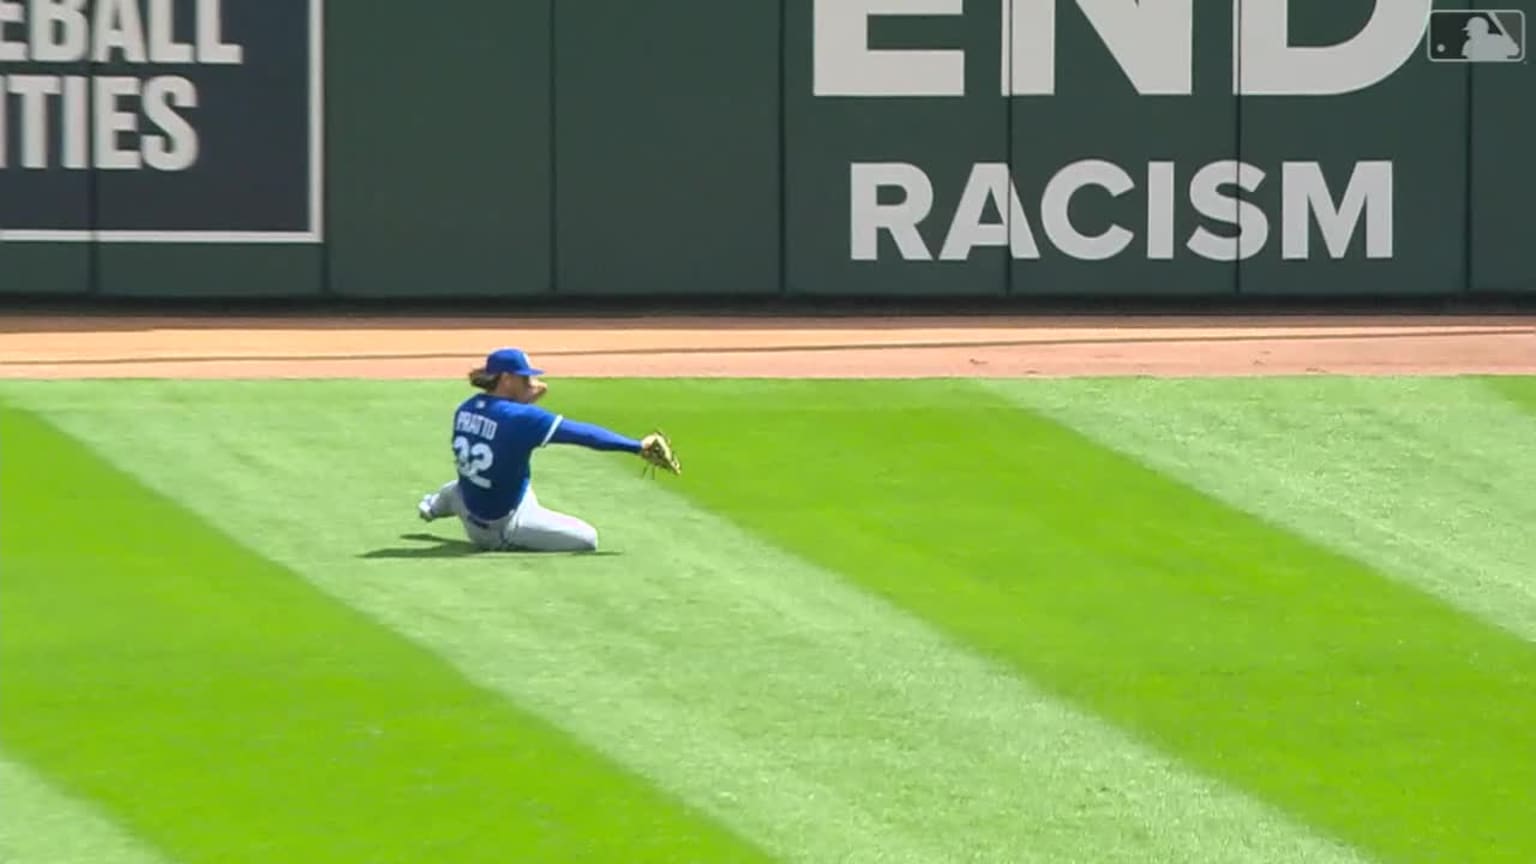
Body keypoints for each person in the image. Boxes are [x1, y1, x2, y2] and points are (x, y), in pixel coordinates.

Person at [416, 347, 678, 552]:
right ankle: (466, 514)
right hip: (499, 527)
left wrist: (525, 397)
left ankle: (440, 502)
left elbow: (504, 423)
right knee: (587, 538)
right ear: (506, 379)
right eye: (525, 377)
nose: (532, 381)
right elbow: (585, 435)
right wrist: (636, 446)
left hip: (468, 498)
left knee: (486, 478)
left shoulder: (467, 407)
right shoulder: (522, 420)